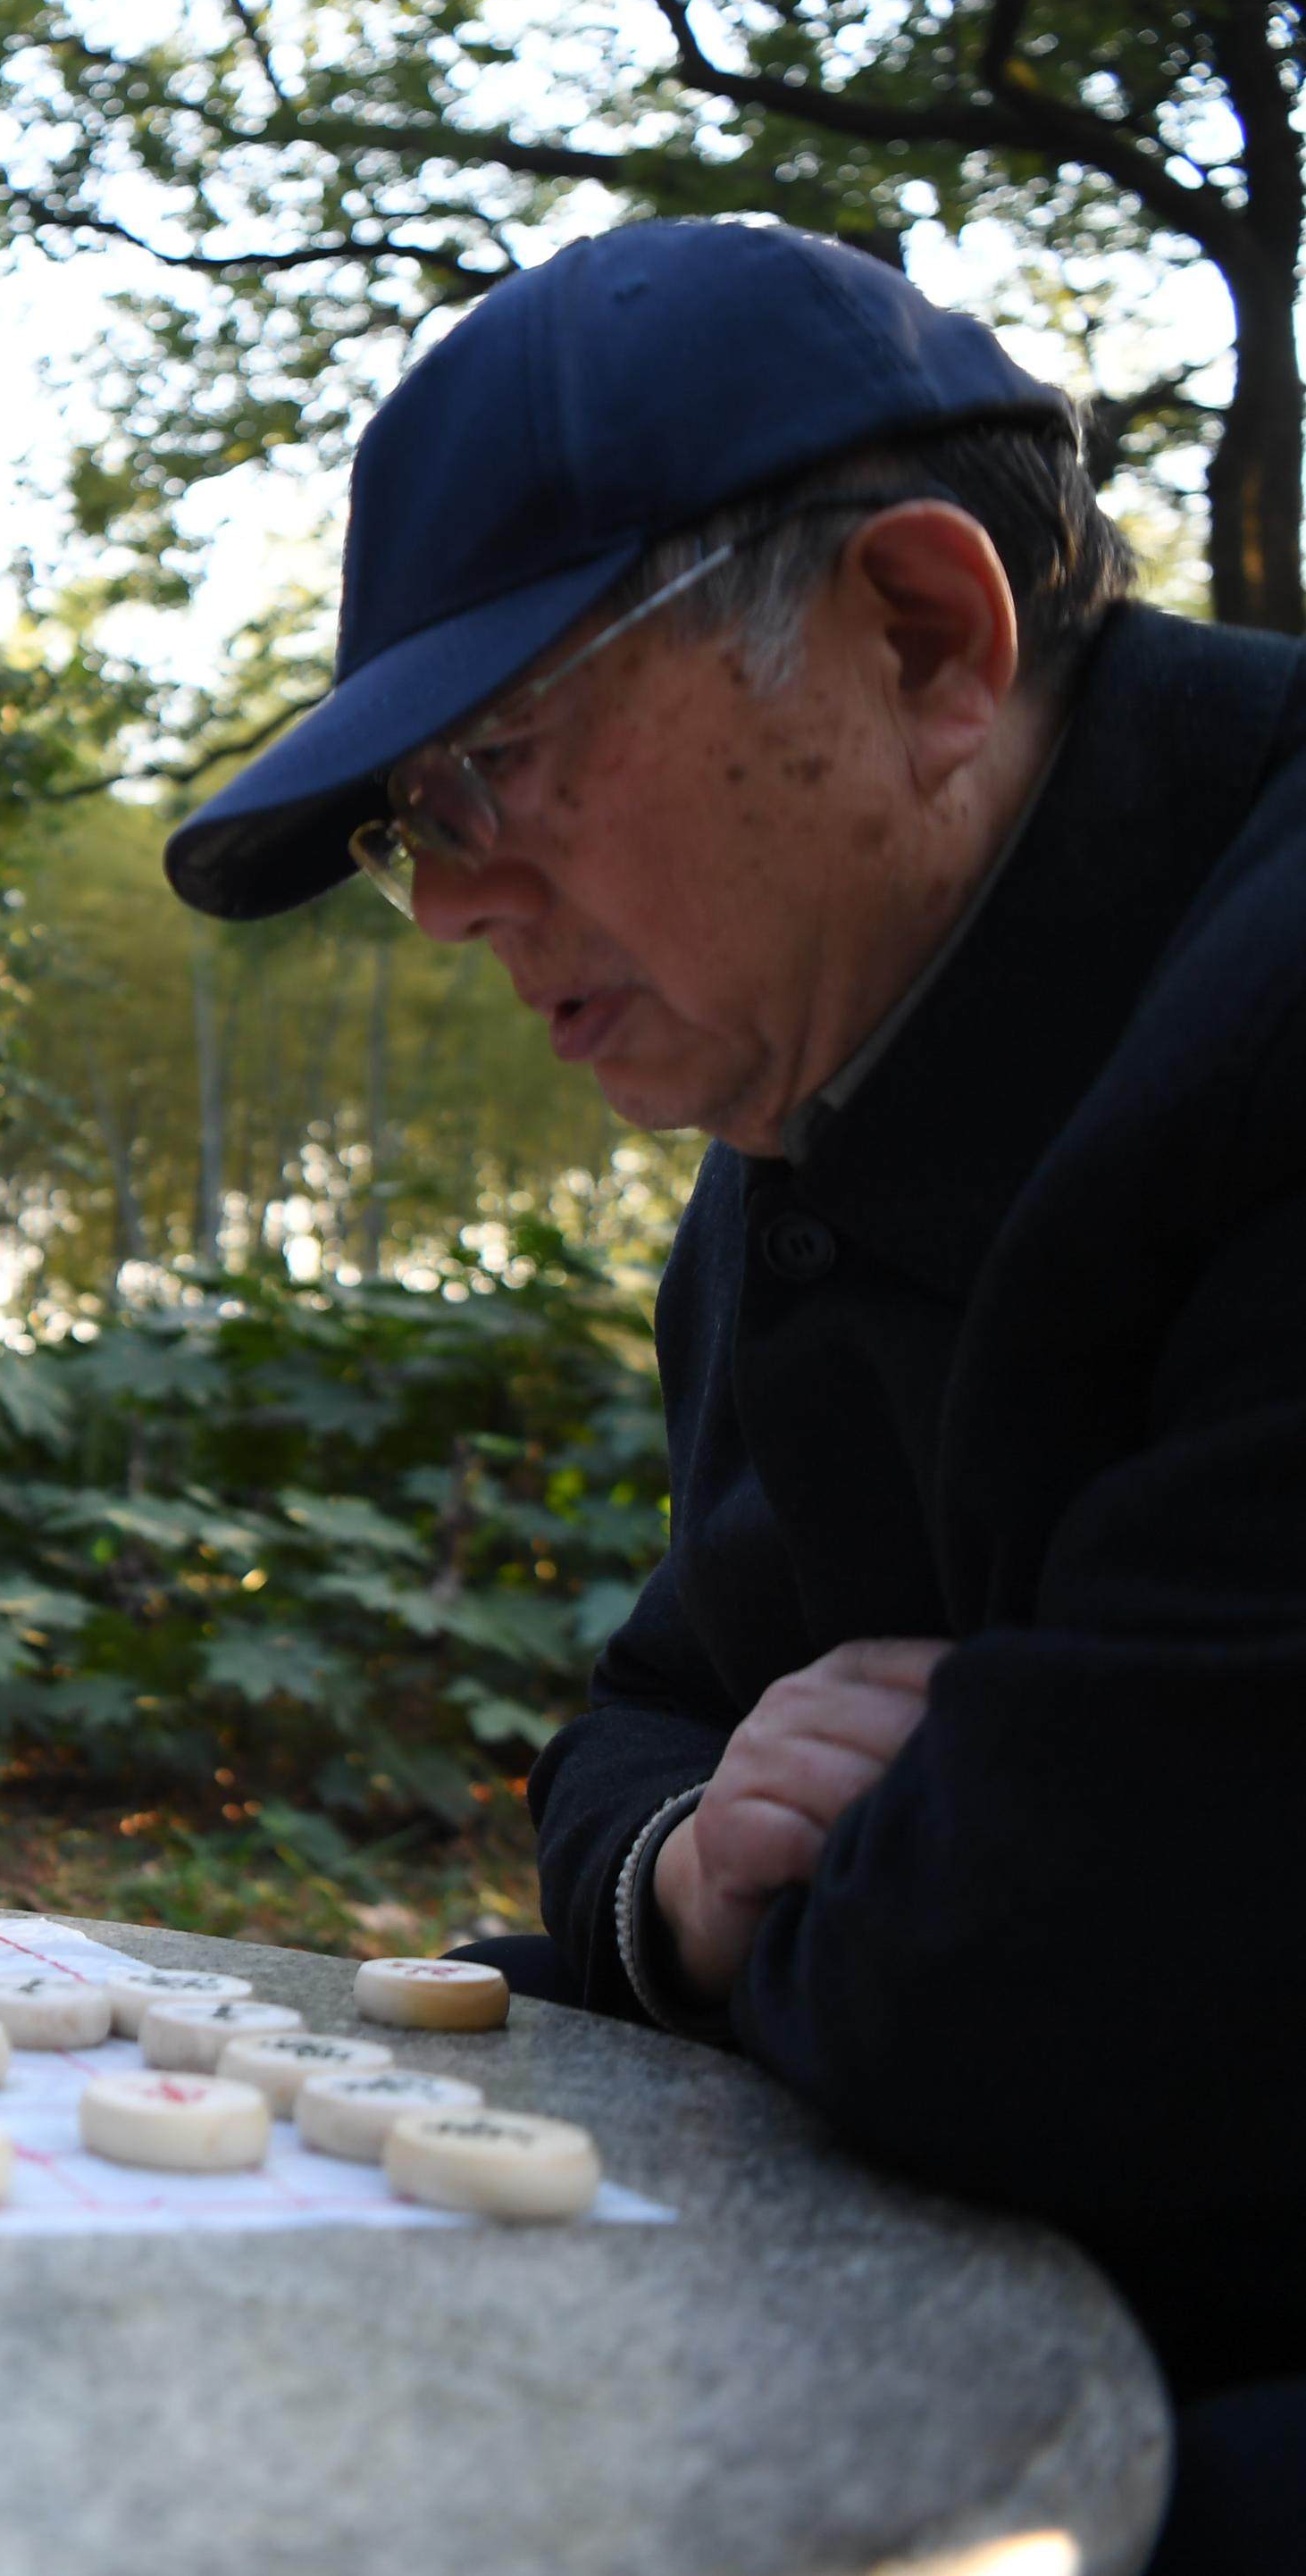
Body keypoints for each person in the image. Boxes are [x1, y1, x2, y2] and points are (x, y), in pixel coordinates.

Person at [159, 217, 1302, 2569]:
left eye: (493, 765)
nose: (453, 907)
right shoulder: (803, 1130)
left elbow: (1068, 1995)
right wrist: (698, 1876)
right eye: (409, 839)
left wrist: (902, 1885)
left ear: (921, 636)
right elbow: (646, 1741)